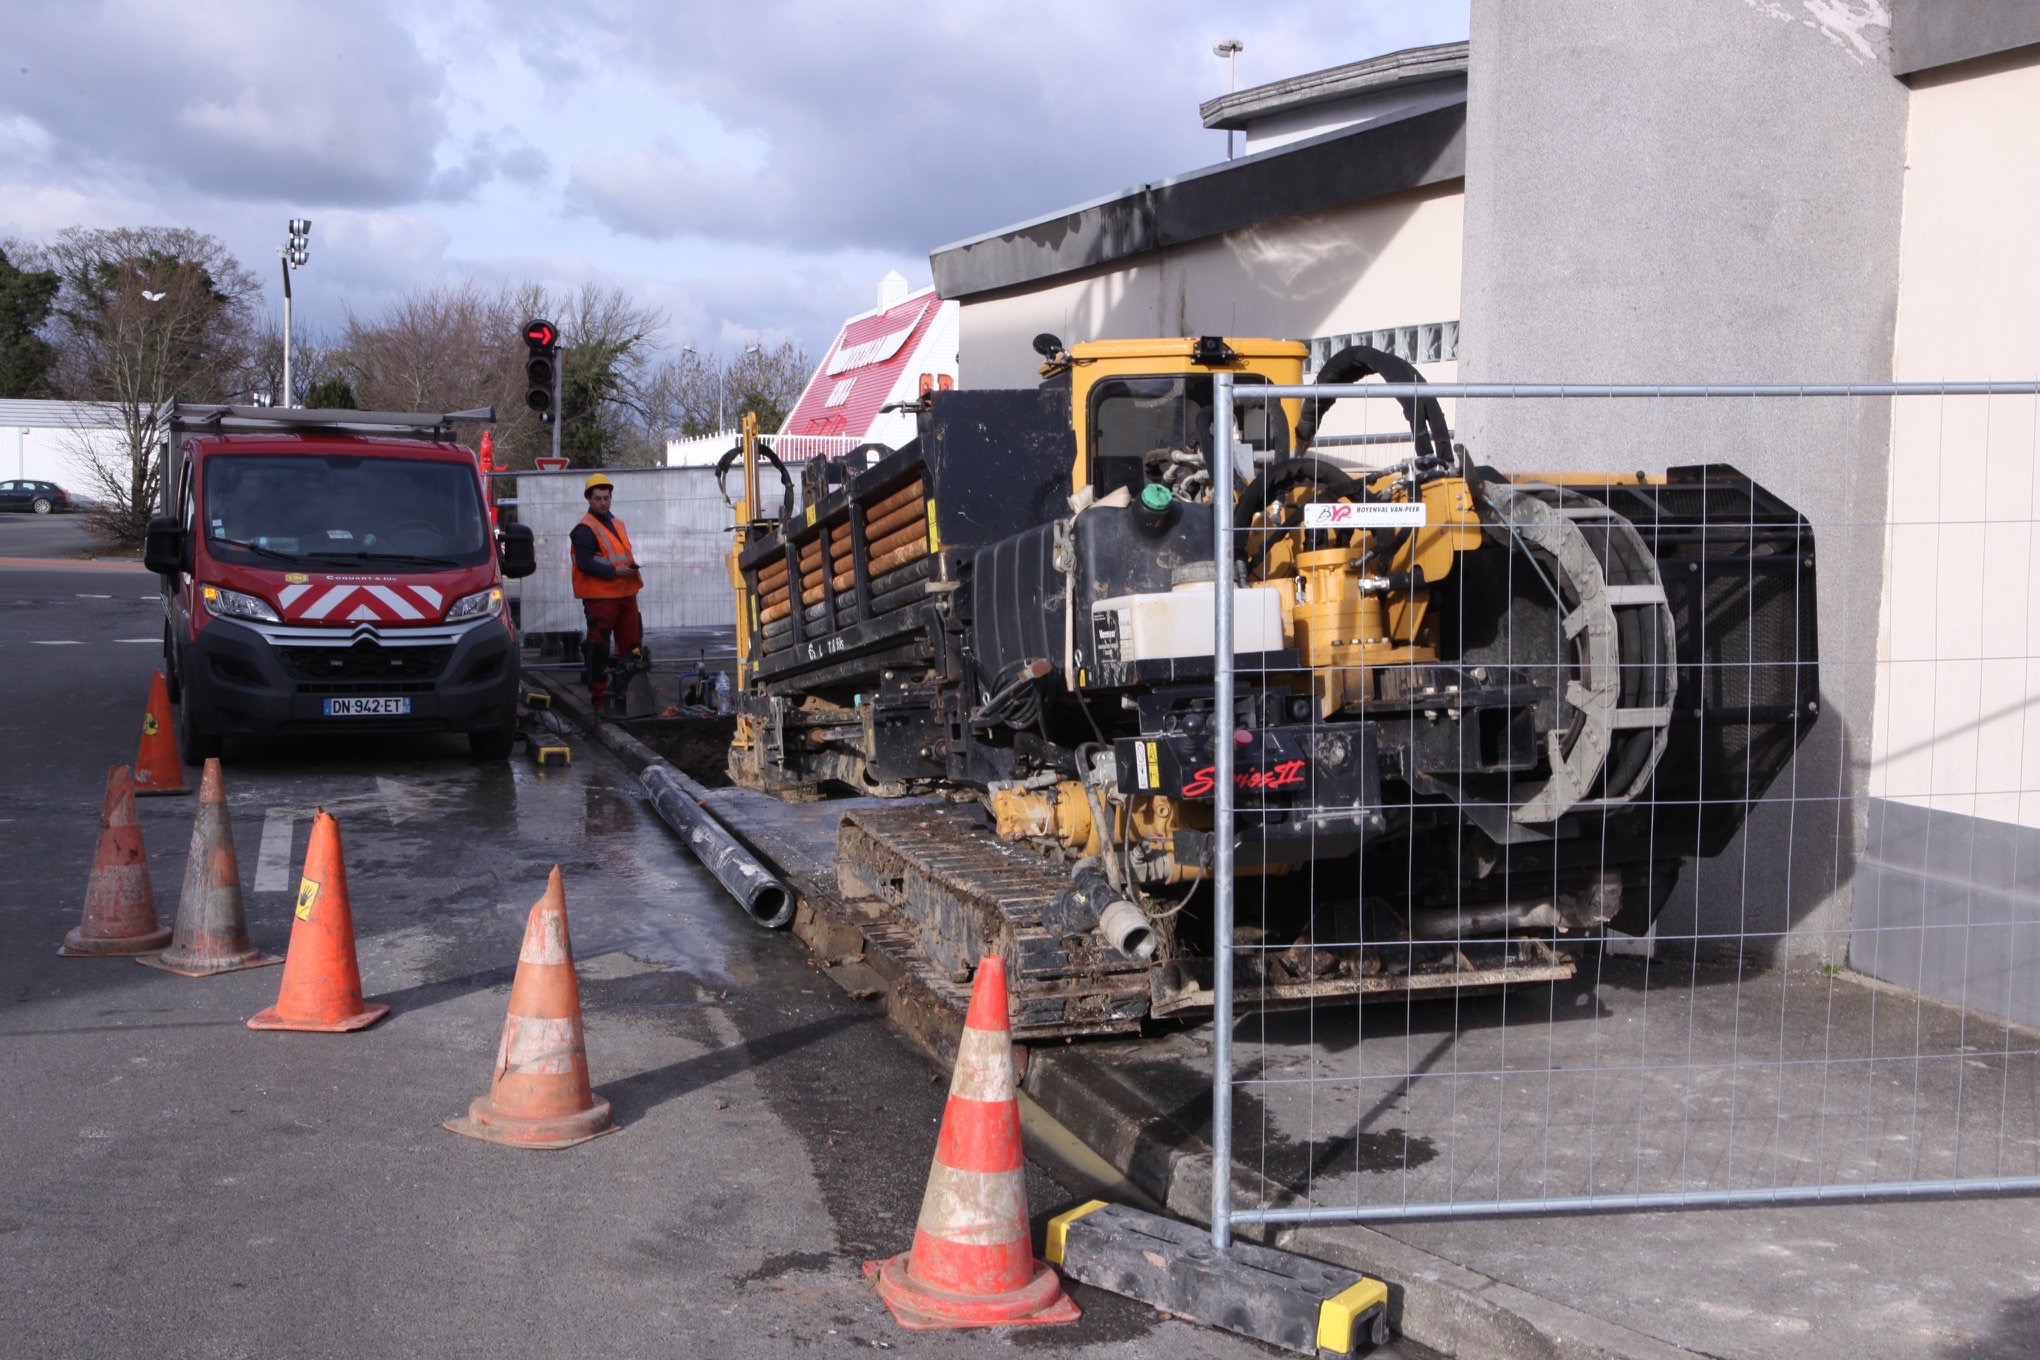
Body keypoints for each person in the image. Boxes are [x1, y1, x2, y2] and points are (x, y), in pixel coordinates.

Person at [569, 472, 643, 709]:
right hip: (601, 599)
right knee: (599, 650)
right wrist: (615, 572)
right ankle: (600, 700)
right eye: (598, 498)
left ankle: (630, 695)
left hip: (625, 595)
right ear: (589, 499)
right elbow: (584, 562)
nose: (603, 502)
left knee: (632, 646)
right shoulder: (584, 528)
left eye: (606, 498)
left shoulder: (616, 523)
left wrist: (624, 572)